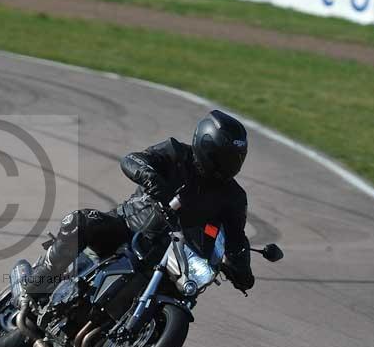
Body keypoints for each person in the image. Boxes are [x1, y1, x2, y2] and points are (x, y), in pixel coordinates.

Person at [25, 109, 255, 295]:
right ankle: (40, 280)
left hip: (174, 258)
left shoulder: (233, 197)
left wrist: (242, 270)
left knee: (186, 292)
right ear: (206, 147)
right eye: (224, 158)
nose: (229, 165)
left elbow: (237, 239)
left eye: (236, 159)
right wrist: (150, 177)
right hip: (129, 227)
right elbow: (133, 159)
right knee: (81, 221)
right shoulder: (175, 153)